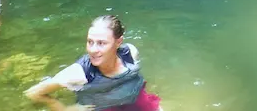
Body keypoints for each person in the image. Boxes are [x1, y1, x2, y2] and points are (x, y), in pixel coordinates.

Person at [25, 15, 163, 111]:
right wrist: (63, 108)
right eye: (90, 42)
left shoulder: (130, 53)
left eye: (101, 43)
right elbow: (33, 93)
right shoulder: (79, 72)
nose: (93, 50)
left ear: (118, 42)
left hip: (135, 102)